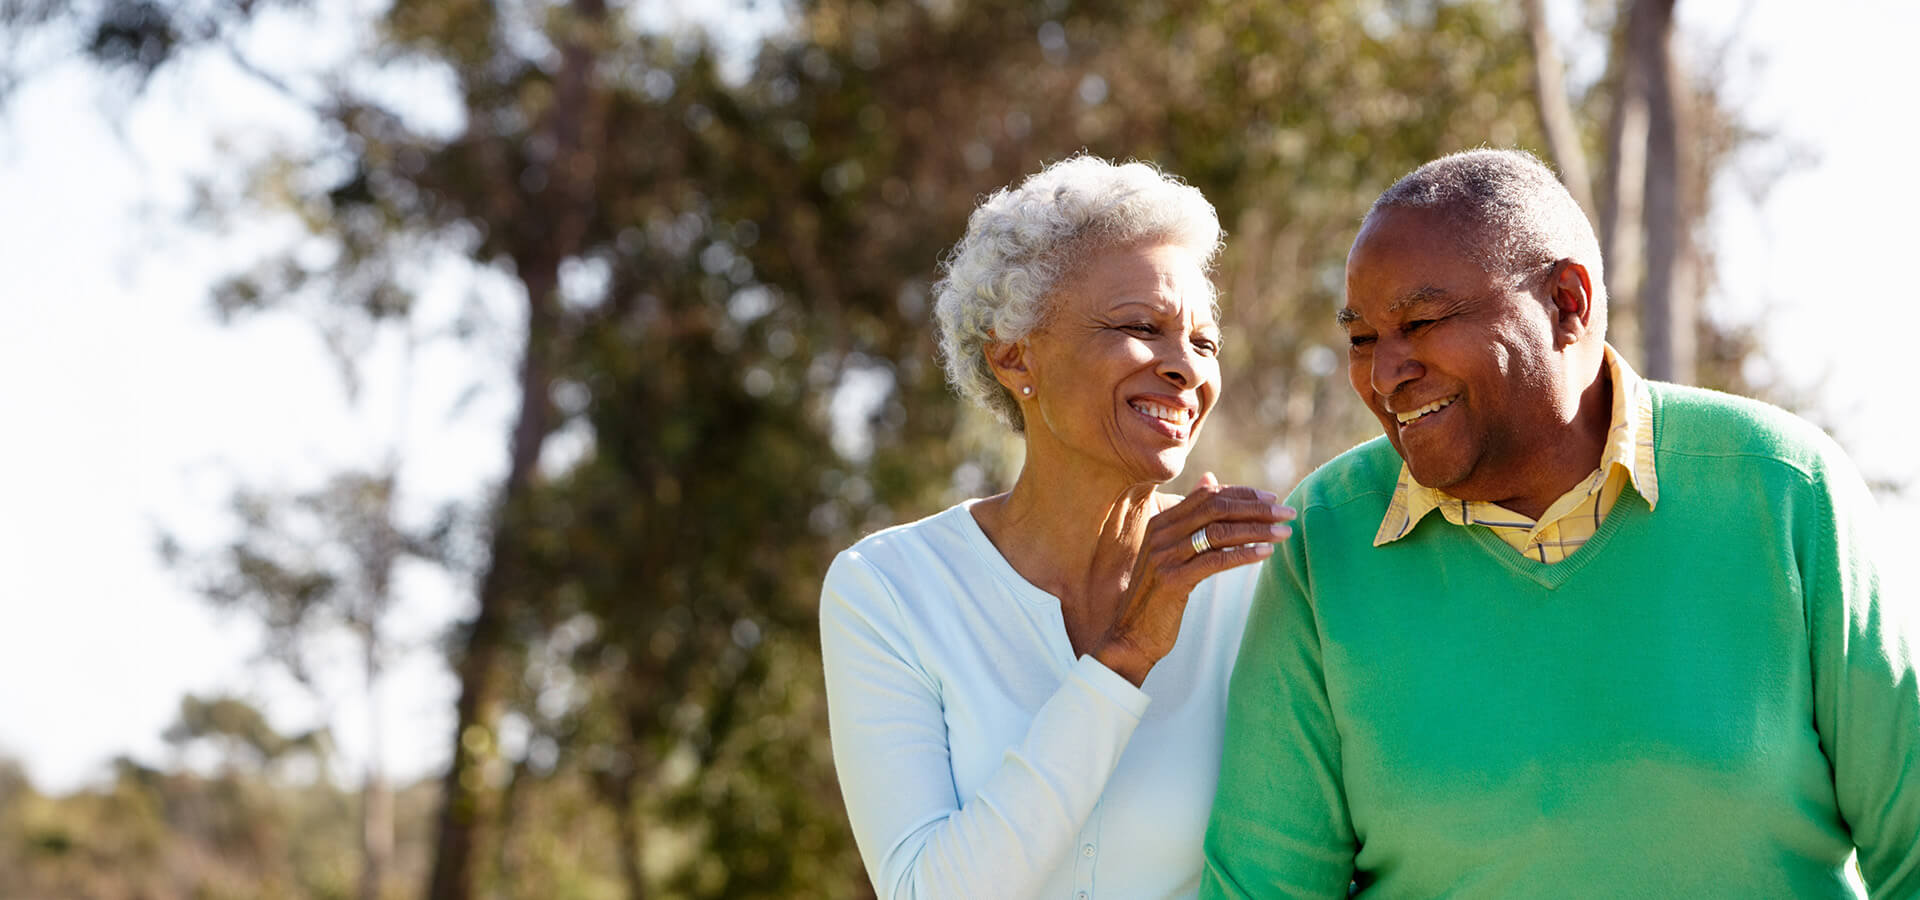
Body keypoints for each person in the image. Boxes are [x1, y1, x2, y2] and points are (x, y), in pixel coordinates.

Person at [1201, 148, 1920, 897]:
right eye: (1361, 339)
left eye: (1421, 321)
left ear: (1567, 303)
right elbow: (1264, 887)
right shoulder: (1325, 540)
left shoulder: (1783, 488)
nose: (1385, 375)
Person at [820, 155, 1294, 899]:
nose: (1186, 369)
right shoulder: (886, 589)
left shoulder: (1253, 582)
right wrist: (1126, 654)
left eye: (1204, 342)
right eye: (1142, 327)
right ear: (1015, 358)